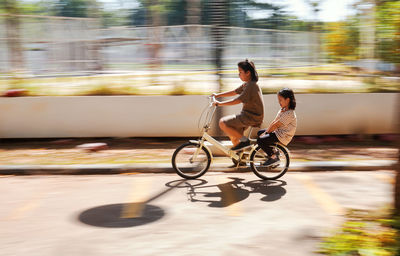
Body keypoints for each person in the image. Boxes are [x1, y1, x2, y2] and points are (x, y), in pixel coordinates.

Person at [212, 59, 264, 151]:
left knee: (222, 122)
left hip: (251, 117)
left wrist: (220, 104)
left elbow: (238, 100)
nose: (238, 74)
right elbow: (234, 92)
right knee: (234, 136)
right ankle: (241, 159)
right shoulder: (246, 85)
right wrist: (218, 95)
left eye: (240, 72)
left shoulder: (251, 86)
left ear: (247, 73)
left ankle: (245, 141)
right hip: (248, 115)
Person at [257, 88, 297, 166]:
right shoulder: (283, 110)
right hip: (279, 133)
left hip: (283, 136)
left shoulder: (289, 113)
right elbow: (274, 122)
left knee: (261, 140)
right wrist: (265, 132)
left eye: (280, 100)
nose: (279, 102)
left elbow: (276, 125)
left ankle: (274, 157)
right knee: (260, 133)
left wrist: (266, 133)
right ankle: (274, 152)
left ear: (287, 100)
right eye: (278, 100)